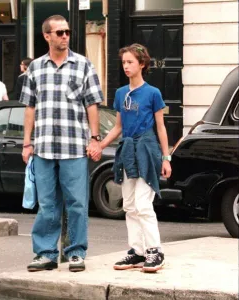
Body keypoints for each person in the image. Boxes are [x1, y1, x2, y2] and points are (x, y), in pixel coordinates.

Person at [20, 15, 103, 273]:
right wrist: (26, 143)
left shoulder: (83, 65)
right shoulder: (35, 68)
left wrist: (95, 138)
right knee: (47, 203)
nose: (65, 36)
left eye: (67, 32)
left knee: (77, 202)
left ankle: (76, 252)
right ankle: (45, 254)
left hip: (74, 147)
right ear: (47, 36)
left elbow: (92, 104)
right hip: (44, 147)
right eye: (59, 32)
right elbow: (30, 108)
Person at [94, 43, 171, 273]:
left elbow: (161, 127)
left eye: (130, 62)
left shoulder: (153, 93)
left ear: (142, 64)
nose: (126, 66)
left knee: (143, 203)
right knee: (128, 204)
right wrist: (100, 145)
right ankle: (137, 252)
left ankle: (155, 251)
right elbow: (118, 127)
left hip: (147, 149)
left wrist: (166, 158)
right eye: (124, 62)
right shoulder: (120, 93)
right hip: (127, 150)